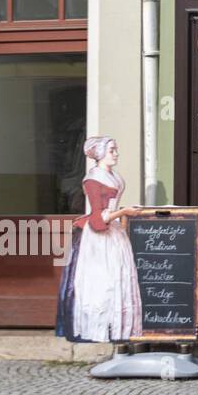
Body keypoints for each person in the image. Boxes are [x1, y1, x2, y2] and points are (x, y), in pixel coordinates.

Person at [60, 137, 142, 343]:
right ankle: (100, 330)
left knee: (119, 279)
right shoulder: (93, 179)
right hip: (98, 239)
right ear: (100, 153)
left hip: (114, 234)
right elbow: (97, 219)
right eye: (112, 150)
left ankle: (119, 331)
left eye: (116, 150)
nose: (116, 154)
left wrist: (121, 214)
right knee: (102, 282)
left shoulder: (112, 176)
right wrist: (123, 211)